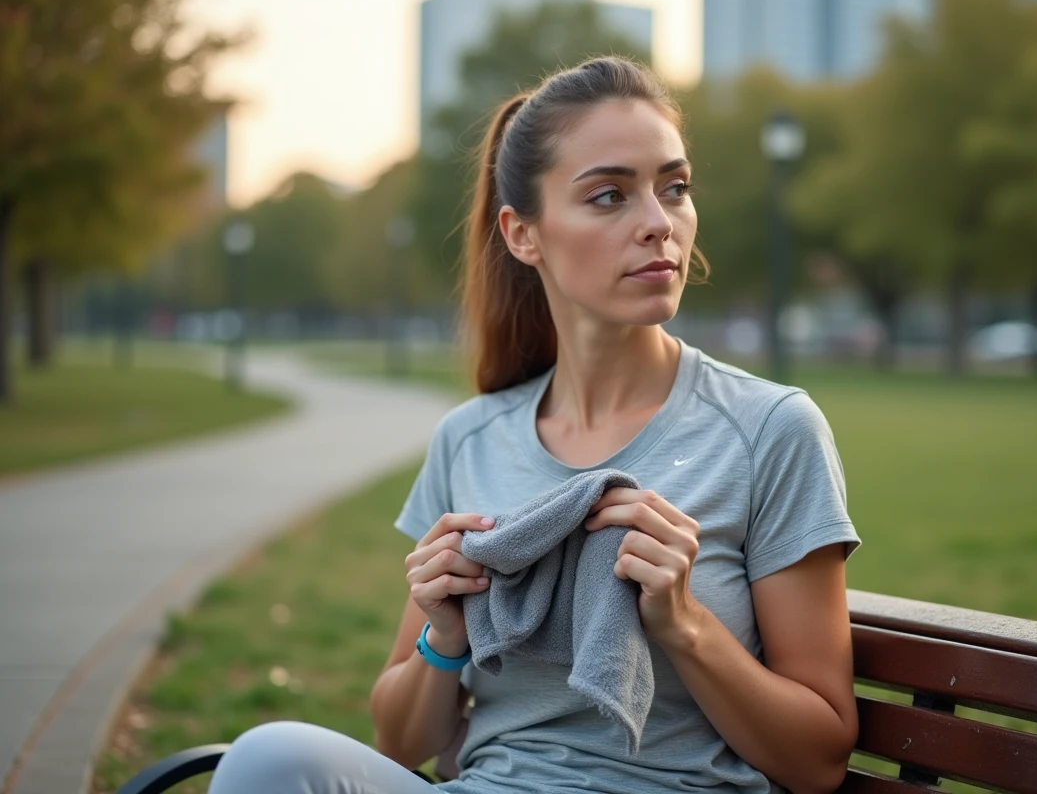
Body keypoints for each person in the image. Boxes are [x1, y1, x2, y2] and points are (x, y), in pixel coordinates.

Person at [207, 56, 860, 794]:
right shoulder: (471, 439)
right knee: (269, 759)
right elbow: (399, 743)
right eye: (610, 196)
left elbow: (817, 761)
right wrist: (444, 636)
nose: (658, 224)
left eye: (674, 189)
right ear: (523, 234)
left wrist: (685, 625)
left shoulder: (769, 430)